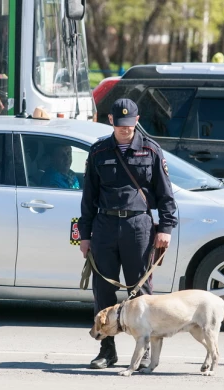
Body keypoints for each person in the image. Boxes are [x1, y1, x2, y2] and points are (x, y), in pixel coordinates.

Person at [79, 98, 178, 370]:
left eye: (129, 124)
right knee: (103, 292)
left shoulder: (151, 150)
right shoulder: (99, 151)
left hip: (138, 228)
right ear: (111, 120)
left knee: (141, 293)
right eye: (119, 124)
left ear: (137, 120)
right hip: (105, 227)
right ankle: (106, 350)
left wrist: (166, 228)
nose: (124, 129)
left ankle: (144, 351)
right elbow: (88, 198)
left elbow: (166, 195)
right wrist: (84, 237)